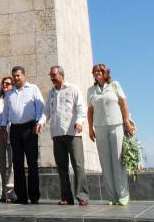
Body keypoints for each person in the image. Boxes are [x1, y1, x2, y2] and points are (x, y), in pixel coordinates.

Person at [37, 66, 89, 206]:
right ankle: (66, 197)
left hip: (73, 133)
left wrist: (79, 122)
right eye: (51, 75)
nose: (52, 78)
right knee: (61, 166)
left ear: (62, 75)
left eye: (54, 75)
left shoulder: (73, 89)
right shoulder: (51, 93)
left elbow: (81, 108)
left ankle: (82, 196)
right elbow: (46, 111)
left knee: (78, 165)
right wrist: (41, 122)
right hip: (57, 134)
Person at [87, 63, 134, 206]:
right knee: (105, 162)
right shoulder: (91, 90)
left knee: (117, 160)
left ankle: (123, 195)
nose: (97, 73)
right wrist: (90, 129)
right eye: (95, 71)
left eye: (100, 71)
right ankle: (112, 196)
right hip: (100, 127)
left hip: (116, 125)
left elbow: (124, 103)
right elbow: (90, 111)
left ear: (106, 73)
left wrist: (126, 121)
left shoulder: (114, 85)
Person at [0, 65, 44, 204]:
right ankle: (22, 196)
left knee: (32, 162)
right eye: (14, 76)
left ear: (24, 76)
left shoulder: (33, 88)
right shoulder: (9, 94)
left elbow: (40, 106)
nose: (16, 78)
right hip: (14, 130)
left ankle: (34, 195)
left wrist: (38, 122)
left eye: (18, 75)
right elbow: (6, 112)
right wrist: (3, 127)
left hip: (30, 128)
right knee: (17, 163)